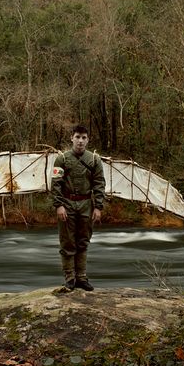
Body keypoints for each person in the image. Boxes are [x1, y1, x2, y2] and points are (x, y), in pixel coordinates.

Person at [51, 125, 105, 291]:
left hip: (86, 204)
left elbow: (99, 184)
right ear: (71, 138)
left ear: (88, 140)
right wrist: (59, 205)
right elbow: (56, 183)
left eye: (83, 138)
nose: (80, 141)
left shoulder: (94, 160)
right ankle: (69, 278)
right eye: (77, 137)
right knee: (67, 242)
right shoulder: (62, 159)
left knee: (83, 241)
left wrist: (98, 207)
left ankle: (81, 277)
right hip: (67, 203)